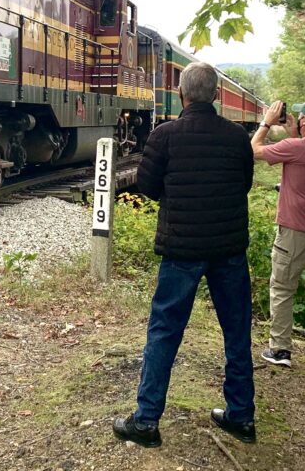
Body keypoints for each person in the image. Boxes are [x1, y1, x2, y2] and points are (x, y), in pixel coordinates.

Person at [113, 62, 255, 448]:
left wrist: (176, 199)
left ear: (181, 94)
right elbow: (244, 184)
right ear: (216, 96)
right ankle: (241, 416)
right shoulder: (237, 137)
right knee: (237, 330)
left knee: (164, 331)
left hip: (181, 250)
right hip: (228, 249)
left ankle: (146, 422)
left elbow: (146, 185)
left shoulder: (164, 136)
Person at [251, 99, 305, 373]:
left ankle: (280, 349)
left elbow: (252, 150)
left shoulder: (295, 148)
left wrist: (266, 122)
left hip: (294, 230)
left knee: (282, 287)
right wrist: (293, 135)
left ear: (304, 121)